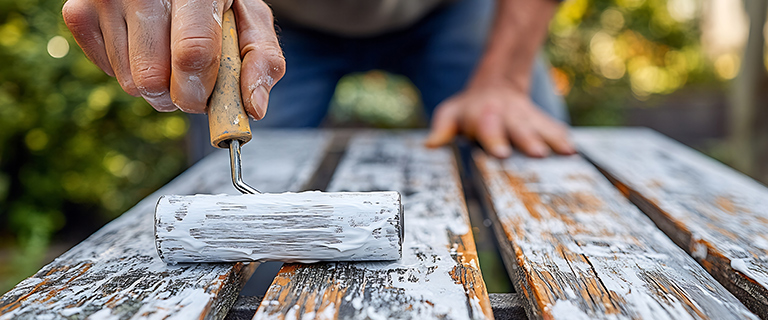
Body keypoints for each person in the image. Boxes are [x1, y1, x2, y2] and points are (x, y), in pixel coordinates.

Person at [62, 0, 576, 159]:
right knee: (236, 216)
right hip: (276, 20)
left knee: (525, 163)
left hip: (455, 9)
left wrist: (504, 80)